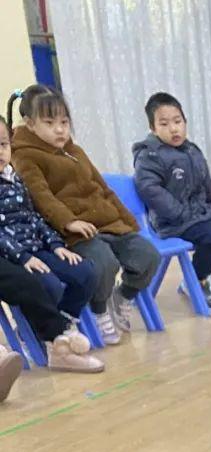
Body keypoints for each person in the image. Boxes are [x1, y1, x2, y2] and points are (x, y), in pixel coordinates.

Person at [8, 85, 158, 345]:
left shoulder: (75, 151)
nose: (60, 129)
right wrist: (69, 221)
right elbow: (41, 197)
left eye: (64, 122)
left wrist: (127, 221)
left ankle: (123, 295)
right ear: (30, 125)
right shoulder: (25, 156)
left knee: (148, 255)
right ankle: (99, 310)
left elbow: (103, 188)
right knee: (104, 262)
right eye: (50, 122)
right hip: (73, 233)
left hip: (109, 224)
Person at [0, 116, 101, 373]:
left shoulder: (15, 178)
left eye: (2, 144)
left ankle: (65, 325)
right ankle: (54, 338)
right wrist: (22, 257)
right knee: (48, 284)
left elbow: (34, 217)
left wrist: (56, 244)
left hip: (37, 247)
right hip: (14, 254)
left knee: (85, 271)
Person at [133, 92, 211, 310]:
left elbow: (209, 188)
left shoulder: (192, 151)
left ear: (185, 122)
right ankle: (194, 282)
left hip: (202, 215)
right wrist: (181, 214)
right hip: (173, 222)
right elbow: (150, 190)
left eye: (178, 121)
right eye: (164, 124)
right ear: (153, 129)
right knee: (210, 240)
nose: (174, 129)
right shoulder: (149, 156)